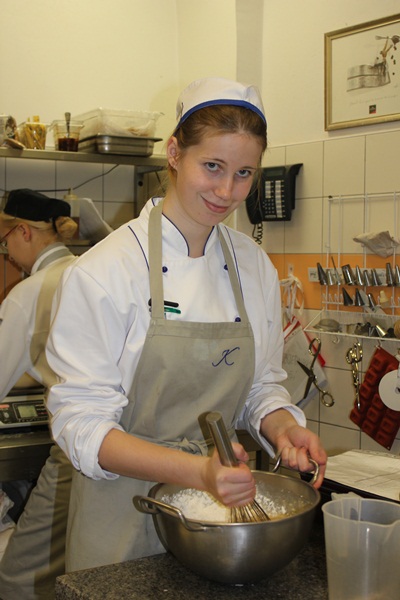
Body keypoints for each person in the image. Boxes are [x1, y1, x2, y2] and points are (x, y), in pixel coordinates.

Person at [46, 77, 327, 572]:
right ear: (174, 153)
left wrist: (283, 428)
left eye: (244, 173)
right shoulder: (105, 271)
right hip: (121, 515)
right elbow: (81, 424)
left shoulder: (253, 266)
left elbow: (260, 385)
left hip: (218, 520)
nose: (226, 191)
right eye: (212, 166)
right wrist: (198, 472)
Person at [0, 189, 78, 600]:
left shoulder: (28, 294)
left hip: (76, 448)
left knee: (19, 577)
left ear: (23, 232)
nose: (7, 252)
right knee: (83, 567)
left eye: (5, 241)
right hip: (125, 442)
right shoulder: (90, 271)